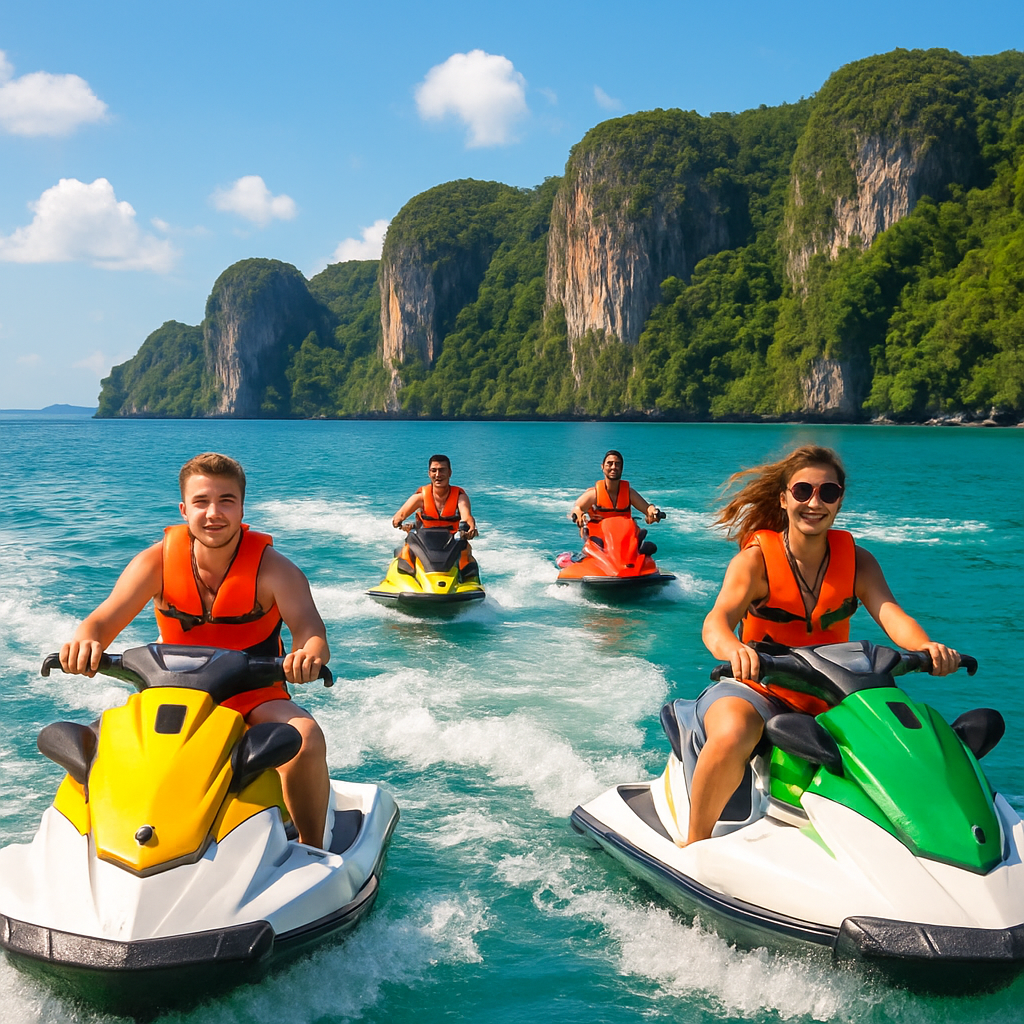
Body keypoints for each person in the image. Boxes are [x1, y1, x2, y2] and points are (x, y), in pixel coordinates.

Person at [689, 443, 959, 846]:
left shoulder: (858, 562)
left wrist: (927, 647)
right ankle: (693, 843)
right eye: (802, 491)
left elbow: (891, 614)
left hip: (831, 692)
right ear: (784, 499)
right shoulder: (755, 561)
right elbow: (717, 622)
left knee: (901, 741)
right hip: (759, 688)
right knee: (733, 732)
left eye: (827, 493)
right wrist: (735, 650)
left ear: (839, 500)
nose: (814, 502)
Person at [59, 452, 331, 848]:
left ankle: (311, 849)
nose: (213, 513)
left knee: (305, 738)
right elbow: (101, 621)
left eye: (226, 501)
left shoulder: (274, 570)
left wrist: (309, 654)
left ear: (241, 507)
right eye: (202, 502)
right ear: (184, 509)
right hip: (175, 695)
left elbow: (310, 629)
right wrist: (85, 641)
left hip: (253, 695)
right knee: (101, 750)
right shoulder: (155, 562)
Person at [391, 454, 479, 578]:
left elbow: (467, 516)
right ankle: (403, 580)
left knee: (466, 556)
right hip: (423, 543)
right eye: (434, 470)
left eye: (442, 470)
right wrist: (399, 523)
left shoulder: (460, 497)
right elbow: (399, 515)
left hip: (452, 543)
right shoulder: (421, 497)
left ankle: (468, 583)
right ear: (429, 473)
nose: (438, 475)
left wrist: (470, 528)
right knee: (405, 552)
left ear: (450, 473)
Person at [569, 450, 662, 529]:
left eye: (617, 464)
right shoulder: (594, 494)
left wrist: (653, 511)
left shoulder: (629, 493)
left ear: (621, 468)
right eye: (609, 464)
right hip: (599, 537)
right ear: (602, 466)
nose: (613, 467)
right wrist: (578, 513)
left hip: (624, 537)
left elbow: (647, 508)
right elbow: (577, 507)